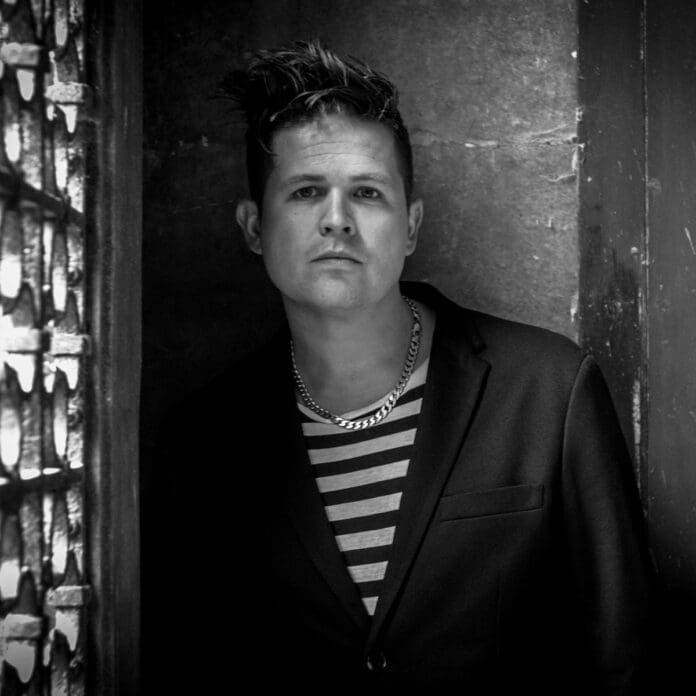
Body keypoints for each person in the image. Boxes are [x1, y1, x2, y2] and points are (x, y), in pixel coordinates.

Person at [143, 40, 655, 694]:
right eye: (305, 191)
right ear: (253, 227)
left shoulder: (548, 390)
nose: (337, 221)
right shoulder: (200, 443)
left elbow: (627, 660)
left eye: (366, 192)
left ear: (410, 226)